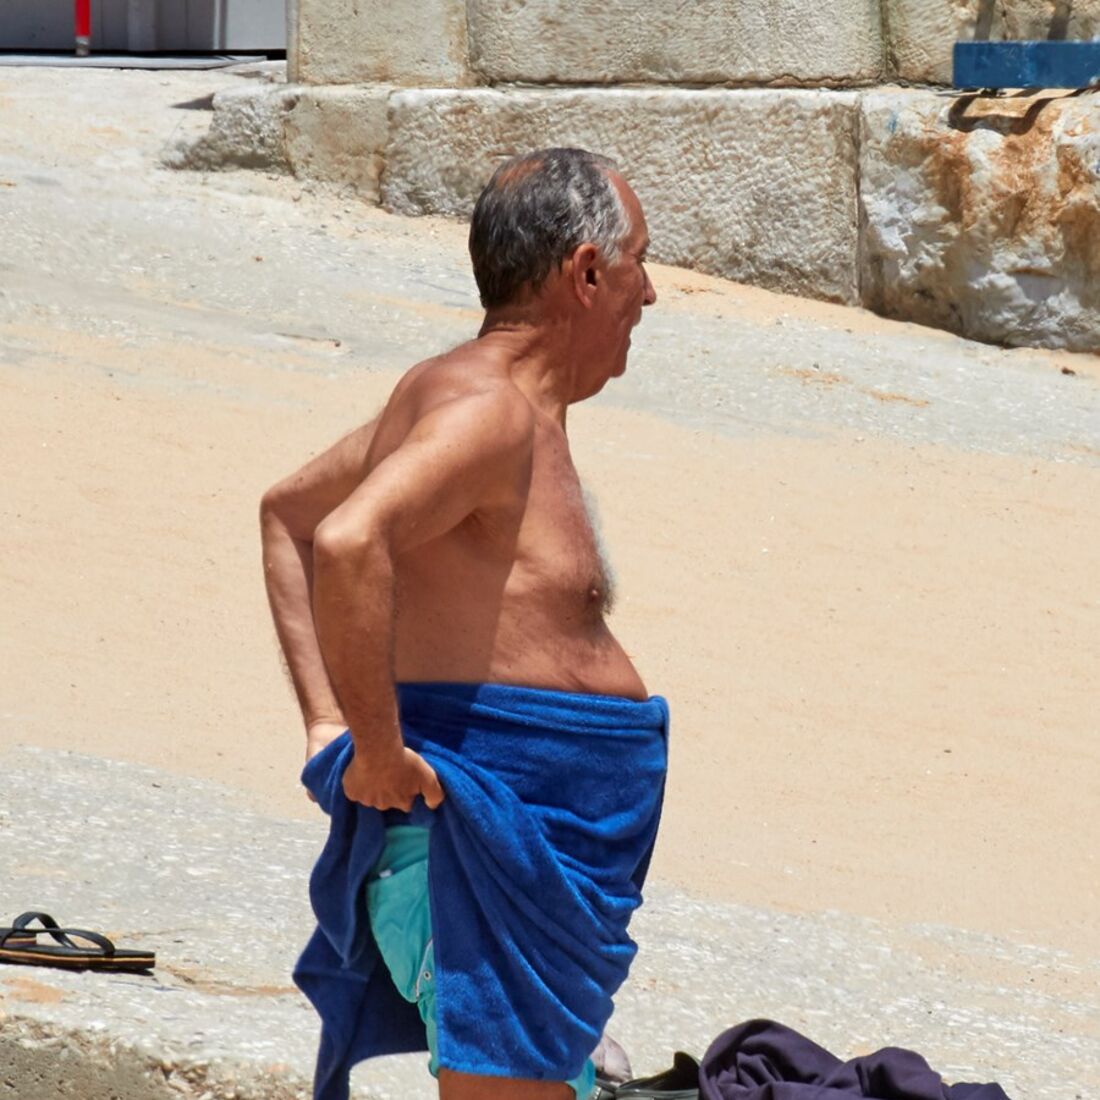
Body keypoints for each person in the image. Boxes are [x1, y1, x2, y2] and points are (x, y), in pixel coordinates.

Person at [260, 147, 665, 1100]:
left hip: (522, 861)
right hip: (475, 863)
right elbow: (347, 538)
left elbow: (289, 512)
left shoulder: (491, 400)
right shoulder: (486, 411)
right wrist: (364, 744)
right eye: (641, 261)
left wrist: (329, 722)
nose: (650, 294)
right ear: (588, 271)